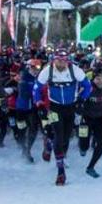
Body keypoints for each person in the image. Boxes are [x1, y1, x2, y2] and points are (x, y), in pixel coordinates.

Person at [34, 49, 91, 186]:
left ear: (68, 60)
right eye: (58, 60)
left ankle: (49, 143)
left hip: (70, 107)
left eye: (64, 60)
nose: (61, 63)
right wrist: (39, 103)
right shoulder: (48, 71)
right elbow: (37, 88)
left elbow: (87, 86)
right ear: (54, 60)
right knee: (59, 137)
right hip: (55, 106)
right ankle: (61, 172)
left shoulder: (75, 70)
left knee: (65, 138)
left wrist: (81, 100)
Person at [78, 69, 102, 178]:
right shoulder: (88, 88)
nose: (100, 81)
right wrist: (78, 113)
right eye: (97, 78)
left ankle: (91, 167)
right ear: (93, 79)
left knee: (101, 144)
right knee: (84, 144)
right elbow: (78, 101)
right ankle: (83, 148)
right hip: (87, 119)